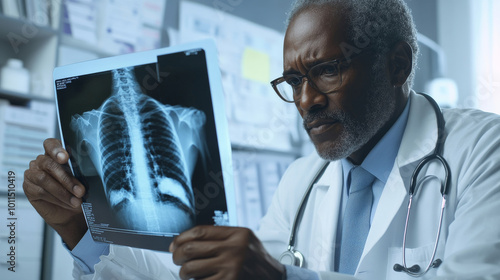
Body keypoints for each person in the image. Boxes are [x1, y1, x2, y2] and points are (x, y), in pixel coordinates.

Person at [23, 0, 500, 279]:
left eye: (327, 70)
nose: (305, 100)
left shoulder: (481, 151)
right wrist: (79, 231)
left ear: (397, 66)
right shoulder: (303, 181)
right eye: (293, 81)